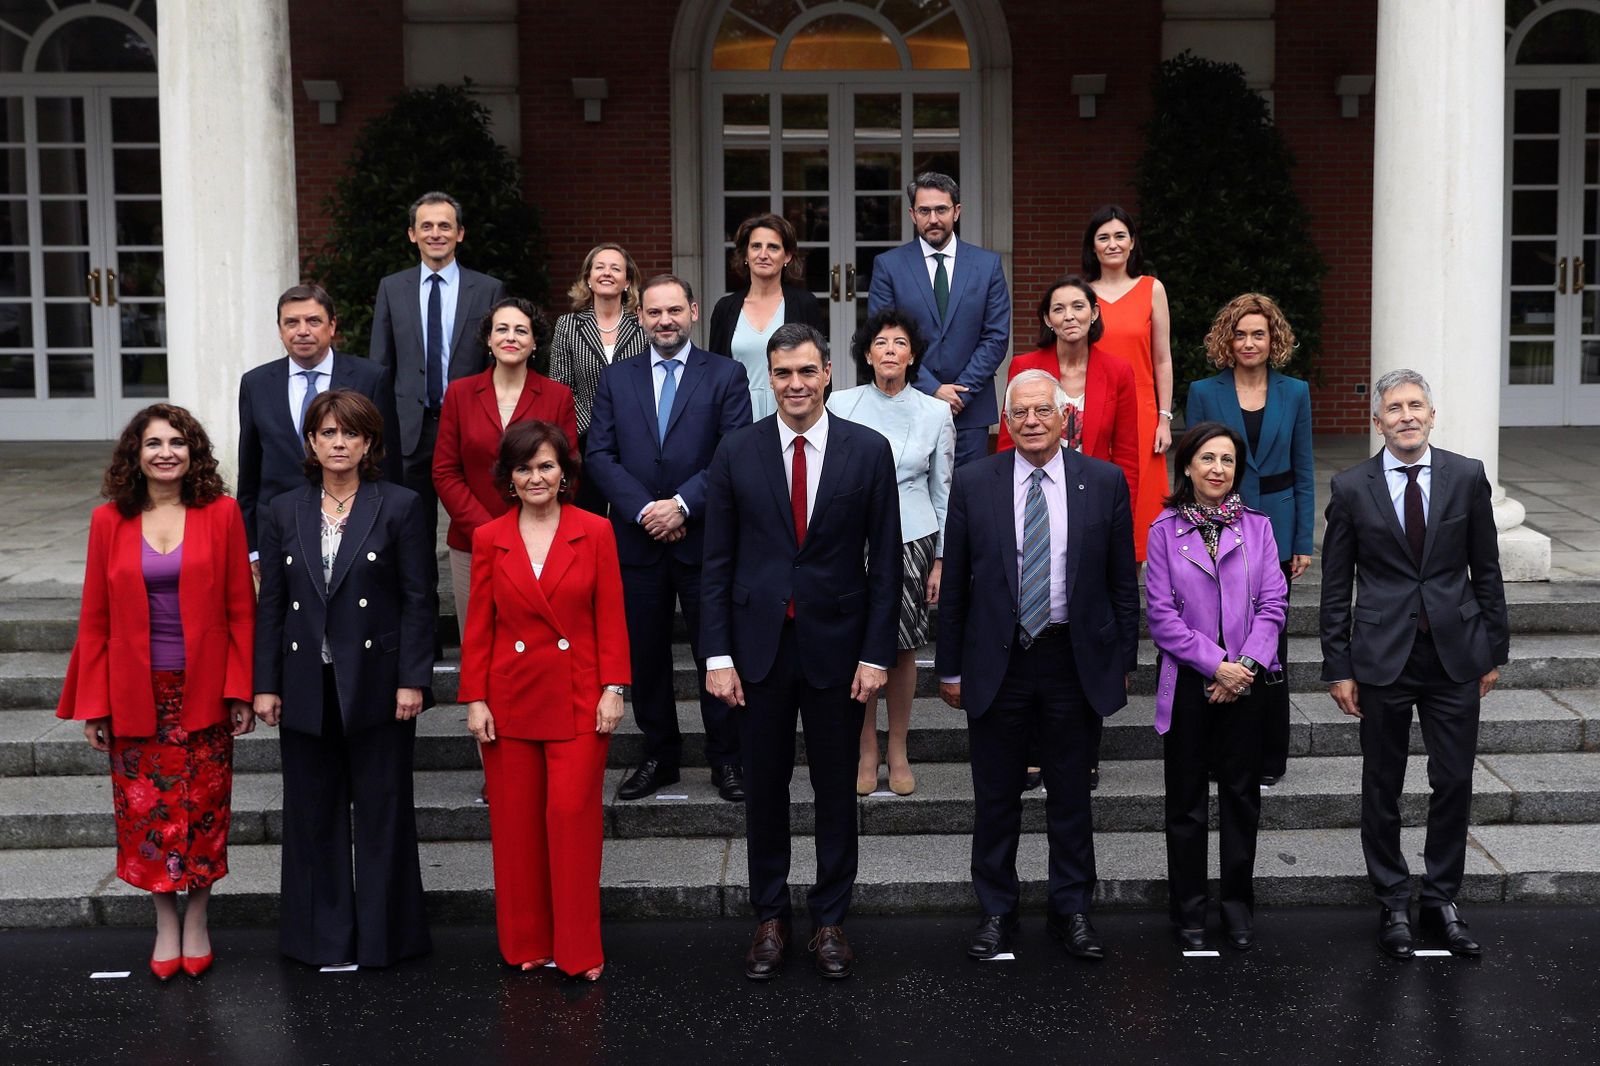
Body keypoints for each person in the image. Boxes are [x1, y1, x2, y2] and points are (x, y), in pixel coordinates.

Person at [701, 322, 901, 981]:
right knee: (764, 789)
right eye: (783, 374)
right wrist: (717, 656)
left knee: (836, 790)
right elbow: (717, 563)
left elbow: (887, 564)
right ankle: (769, 917)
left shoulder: (867, 452)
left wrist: (877, 653)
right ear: (772, 379)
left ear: (827, 376)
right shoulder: (736, 451)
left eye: (806, 372)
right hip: (757, 653)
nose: (794, 384)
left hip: (839, 651)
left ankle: (831, 921)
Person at [936, 369, 1138, 963]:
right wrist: (949, 667)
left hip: (1073, 658)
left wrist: (1122, 659)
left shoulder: (1103, 481)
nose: (1030, 421)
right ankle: (996, 912)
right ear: (1005, 420)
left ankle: (1071, 911)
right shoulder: (976, 482)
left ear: (1063, 417)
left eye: (1041, 411)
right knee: (995, 796)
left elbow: (1122, 583)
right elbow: (956, 592)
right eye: (1019, 412)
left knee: (1071, 794)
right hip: (998, 661)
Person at [57, 404, 255, 981]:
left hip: (204, 693)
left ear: (193, 452)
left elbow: (242, 611)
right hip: (135, 694)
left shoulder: (221, 513)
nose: (165, 452)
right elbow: (94, 618)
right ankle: (165, 922)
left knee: (204, 813)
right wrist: (93, 702)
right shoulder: (107, 522)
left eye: (177, 442)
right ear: (134, 456)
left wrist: (240, 690)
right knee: (148, 820)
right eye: (153, 443)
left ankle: (198, 919)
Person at [1321, 369, 1508, 960]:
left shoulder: (1466, 476)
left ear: (1431, 415)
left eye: (1415, 406)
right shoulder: (1351, 486)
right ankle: (1394, 900)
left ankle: (1442, 899)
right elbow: (1335, 586)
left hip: (1455, 654)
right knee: (1383, 783)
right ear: (1377, 421)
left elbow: (1488, 569)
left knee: (1452, 780)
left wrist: (1493, 650)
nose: (1405, 415)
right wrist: (1338, 664)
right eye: (1393, 408)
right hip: (1382, 659)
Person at [252, 389, 437, 968]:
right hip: (306, 680)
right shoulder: (284, 509)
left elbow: (418, 600)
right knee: (312, 813)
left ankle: (387, 940)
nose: (338, 443)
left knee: (384, 811)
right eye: (327, 433)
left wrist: (413, 679)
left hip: (380, 682)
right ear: (311, 442)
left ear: (368, 443)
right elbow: (272, 607)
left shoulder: (401, 505)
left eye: (350, 434)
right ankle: (321, 940)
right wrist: (266, 683)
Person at [458, 420, 630, 980]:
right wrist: (475, 698)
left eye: (546, 466)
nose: (536, 477)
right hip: (509, 699)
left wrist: (613, 688)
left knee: (572, 819)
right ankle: (527, 941)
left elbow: (610, 615)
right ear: (510, 476)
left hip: (580, 696)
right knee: (516, 826)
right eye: (525, 467)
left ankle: (579, 951)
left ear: (565, 472)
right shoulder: (489, 537)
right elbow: (479, 626)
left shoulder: (595, 531)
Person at [586, 274, 753, 802]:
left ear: (694, 311)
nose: (664, 320)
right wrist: (644, 511)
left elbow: (733, 452)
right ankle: (659, 755)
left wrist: (681, 505)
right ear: (640, 317)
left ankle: (726, 758)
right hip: (636, 543)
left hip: (704, 540)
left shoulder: (726, 375)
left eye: (674, 310)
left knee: (716, 651)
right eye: (654, 312)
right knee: (646, 655)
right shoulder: (616, 379)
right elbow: (598, 456)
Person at [1145, 421, 1288, 952]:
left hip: (1247, 685)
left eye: (1227, 461)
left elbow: (1273, 605)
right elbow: (1161, 619)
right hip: (1189, 684)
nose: (1217, 470)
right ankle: (1188, 910)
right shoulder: (1163, 531)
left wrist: (1243, 665)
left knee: (1240, 799)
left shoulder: (1259, 527)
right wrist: (1217, 665)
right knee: (1185, 804)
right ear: (1187, 465)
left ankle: (1236, 906)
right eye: (1207, 458)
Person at [999, 274, 1141, 793]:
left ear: (1094, 313)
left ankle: (1084, 752)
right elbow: (1005, 442)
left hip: (1094, 517)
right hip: (1033, 508)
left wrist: (1122, 523)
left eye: (1079, 306)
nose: (1069, 316)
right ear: (1046, 319)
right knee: (1033, 635)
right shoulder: (1023, 369)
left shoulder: (1118, 371)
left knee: (1090, 631)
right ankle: (1033, 753)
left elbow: (1126, 452)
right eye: (1058, 308)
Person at [1187, 293, 1315, 786]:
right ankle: (1221, 752)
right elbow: (1198, 462)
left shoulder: (1296, 391)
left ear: (1273, 339)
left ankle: (1268, 756)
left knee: (1269, 642)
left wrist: (1302, 538)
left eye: (1258, 333)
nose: (1248, 342)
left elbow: (1304, 467)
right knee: (1220, 634)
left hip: (1277, 530)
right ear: (1227, 339)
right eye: (1239, 334)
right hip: (1218, 525)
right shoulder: (1203, 390)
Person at [826, 308, 953, 796]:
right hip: (850, 537)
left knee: (901, 650)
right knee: (856, 643)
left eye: (900, 343)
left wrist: (941, 557)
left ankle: (897, 747)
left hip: (912, 537)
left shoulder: (935, 412)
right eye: (881, 343)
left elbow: (944, 488)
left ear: (913, 354)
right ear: (866, 353)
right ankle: (866, 747)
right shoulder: (840, 404)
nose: (891, 351)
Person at [369, 190, 508, 550]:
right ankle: (422, 607)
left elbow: (499, 365)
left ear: (459, 233)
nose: (436, 233)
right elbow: (381, 364)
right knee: (411, 530)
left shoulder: (488, 290)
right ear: (412, 234)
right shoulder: (392, 288)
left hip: (469, 426)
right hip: (409, 428)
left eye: (445, 226)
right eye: (426, 226)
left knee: (480, 521)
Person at [433, 298, 578, 639]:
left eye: (521, 330)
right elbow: (444, 471)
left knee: (535, 642)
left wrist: (527, 530)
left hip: (540, 542)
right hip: (472, 543)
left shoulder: (557, 396)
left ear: (534, 341)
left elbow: (568, 469)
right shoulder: (460, 393)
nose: (510, 337)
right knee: (478, 643)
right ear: (488, 339)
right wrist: (488, 532)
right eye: (502, 329)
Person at [238, 283, 401, 564]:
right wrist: (253, 548)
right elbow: (249, 473)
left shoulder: (370, 378)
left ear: (332, 325)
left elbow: (388, 464)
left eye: (313, 321)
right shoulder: (256, 384)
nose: (302, 331)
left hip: (357, 531)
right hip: (279, 535)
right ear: (280, 329)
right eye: (292, 322)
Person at [867, 172, 1010, 467]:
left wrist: (959, 393)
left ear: (956, 211)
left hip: (969, 409)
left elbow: (996, 337)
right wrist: (932, 388)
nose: (933, 219)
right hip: (908, 403)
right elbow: (883, 338)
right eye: (924, 211)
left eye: (941, 209)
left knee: (968, 500)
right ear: (912, 214)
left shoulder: (987, 265)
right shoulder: (889, 266)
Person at [1082, 205, 1174, 561]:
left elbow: (1163, 359)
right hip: (1094, 407)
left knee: (1143, 507)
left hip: (1142, 411)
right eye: (1103, 237)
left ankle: (1132, 597)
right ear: (1093, 246)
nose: (1113, 244)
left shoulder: (1152, 289)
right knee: (1093, 495)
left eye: (1120, 236)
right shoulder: (1082, 294)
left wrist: (1164, 417)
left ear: (1132, 242)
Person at [547, 243, 649, 513]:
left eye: (616, 268)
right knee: (587, 514)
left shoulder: (642, 325)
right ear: (588, 278)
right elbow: (561, 386)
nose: (607, 273)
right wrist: (592, 429)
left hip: (636, 437)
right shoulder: (568, 325)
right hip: (584, 440)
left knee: (629, 512)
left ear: (627, 281)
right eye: (599, 267)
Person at [707, 213, 827, 419]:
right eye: (756, 246)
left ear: (787, 256)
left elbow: (819, 368)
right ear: (745, 254)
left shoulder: (805, 304)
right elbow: (715, 374)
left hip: (792, 414)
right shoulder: (725, 309)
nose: (763, 254)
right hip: (737, 416)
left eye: (773, 247)